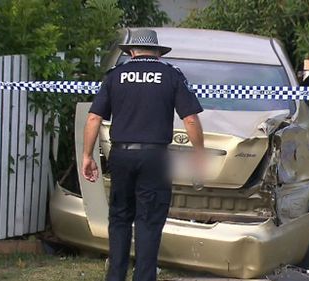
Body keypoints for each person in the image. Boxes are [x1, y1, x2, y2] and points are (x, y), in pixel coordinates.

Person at [81, 29, 204, 281]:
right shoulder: (171, 75)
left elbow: (94, 117)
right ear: (157, 53)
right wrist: (198, 153)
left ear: (132, 52)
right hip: (155, 158)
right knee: (149, 222)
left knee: (119, 218)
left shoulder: (115, 76)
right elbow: (190, 118)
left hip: (121, 156)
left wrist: (87, 155)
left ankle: (115, 276)